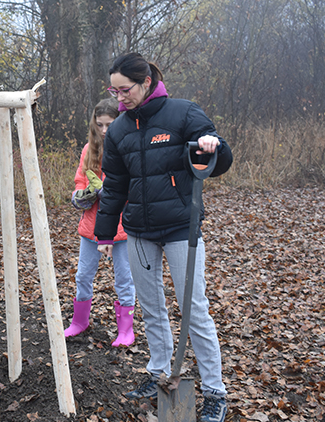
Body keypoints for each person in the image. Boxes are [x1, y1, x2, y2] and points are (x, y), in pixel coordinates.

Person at [94, 52, 233, 422]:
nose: (120, 97)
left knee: (194, 309)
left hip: (180, 228)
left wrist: (211, 146)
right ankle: (158, 373)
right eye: (114, 90)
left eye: (125, 90)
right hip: (139, 230)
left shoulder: (183, 113)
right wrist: (105, 233)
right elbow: (114, 186)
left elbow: (221, 157)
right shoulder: (120, 130)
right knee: (152, 308)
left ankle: (215, 392)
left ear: (146, 83)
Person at [64, 98, 136, 347]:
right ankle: (79, 322)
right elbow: (80, 181)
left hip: (122, 227)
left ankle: (126, 330)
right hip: (91, 225)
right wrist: (80, 196)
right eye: (100, 125)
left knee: (124, 279)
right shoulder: (88, 149)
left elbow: (134, 187)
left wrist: (113, 192)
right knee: (83, 275)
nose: (105, 131)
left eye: (110, 124)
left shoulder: (129, 147)